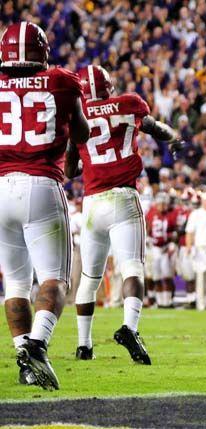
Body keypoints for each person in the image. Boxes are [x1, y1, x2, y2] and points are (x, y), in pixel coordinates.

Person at [67, 64, 180, 365]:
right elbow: (157, 129)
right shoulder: (128, 104)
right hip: (123, 197)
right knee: (132, 269)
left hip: (92, 203)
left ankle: (84, 345)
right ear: (108, 87)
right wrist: (175, 138)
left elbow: (68, 169)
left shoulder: (76, 115)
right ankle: (129, 327)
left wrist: (90, 163)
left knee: (90, 279)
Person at [0, 22, 90, 390]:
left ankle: (25, 359)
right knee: (56, 279)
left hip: (1, 187)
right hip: (41, 184)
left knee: (16, 283)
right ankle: (37, 345)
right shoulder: (63, 81)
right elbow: (82, 133)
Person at [145, 193, 177, 309]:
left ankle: (167, 301)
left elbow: (176, 230)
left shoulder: (172, 214)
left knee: (167, 275)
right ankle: (159, 300)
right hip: (154, 248)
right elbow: (147, 227)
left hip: (166, 247)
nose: (163, 206)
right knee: (156, 276)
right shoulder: (151, 213)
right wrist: (147, 238)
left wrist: (173, 242)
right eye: (161, 203)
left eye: (164, 203)